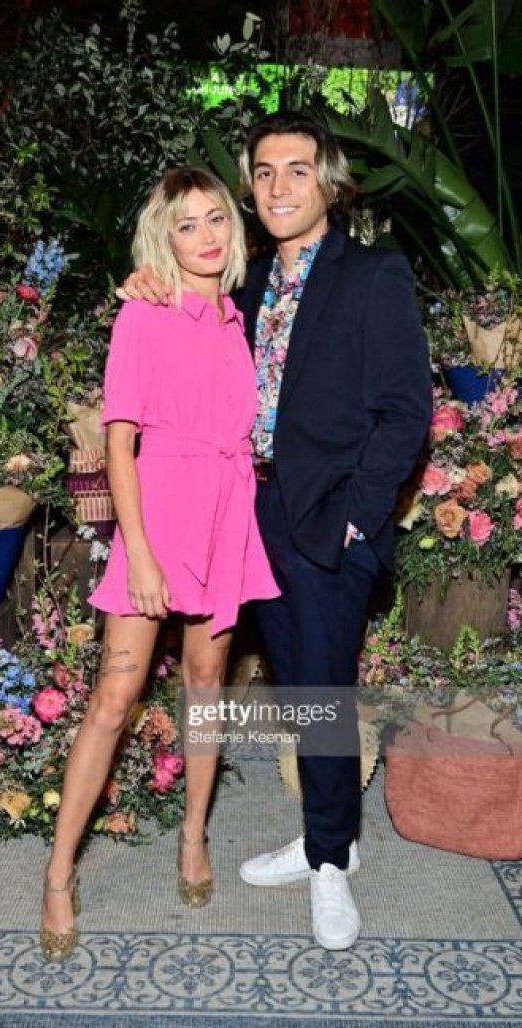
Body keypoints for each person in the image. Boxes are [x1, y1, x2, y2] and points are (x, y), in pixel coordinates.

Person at [121, 112, 432, 951]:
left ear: (328, 180)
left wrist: (359, 517)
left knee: (324, 690)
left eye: (297, 169)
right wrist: (146, 284)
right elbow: (179, 323)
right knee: (297, 684)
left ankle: (329, 862)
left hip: (330, 520)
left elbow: (407, 412)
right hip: (245, 514)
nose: (279, 186)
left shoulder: (374, 275)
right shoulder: (245, 283)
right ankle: (331, 834)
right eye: (263, 173)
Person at [40, 166, 279, 963]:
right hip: (158, 518)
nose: (206, 236)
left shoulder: (238, 318)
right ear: (164, 238)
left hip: (225, 517)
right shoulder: (143, 314)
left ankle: (192, 837)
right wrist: (139, 553)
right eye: (187, 224)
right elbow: (119, 443)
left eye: (216, 219)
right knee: (114, 697)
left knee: (206, 690)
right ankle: (58, 875)